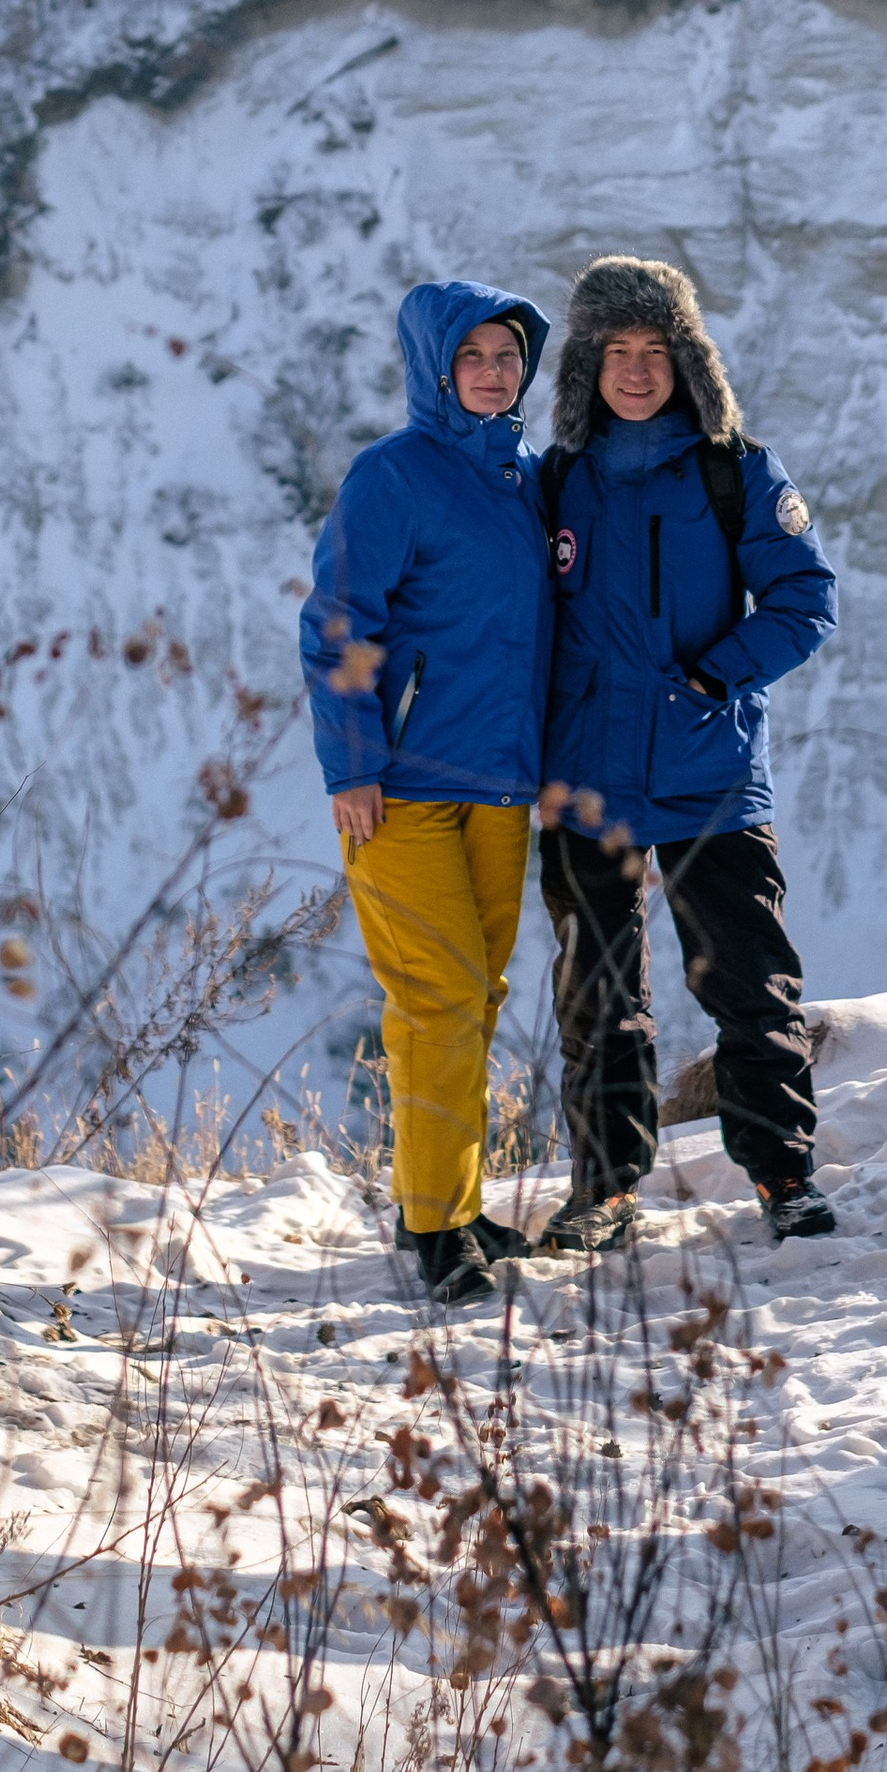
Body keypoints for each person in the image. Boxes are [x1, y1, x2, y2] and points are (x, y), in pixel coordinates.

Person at [531, 255, 839, 1255]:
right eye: (614, 351)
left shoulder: (735, 468)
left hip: (707, 772)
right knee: (597, 998)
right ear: (586, 367)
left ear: (686, 360)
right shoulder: (557, 482)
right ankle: (605, 1192)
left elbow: (803, 602)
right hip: (583, 779)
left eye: (653, 349)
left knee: (750, 985)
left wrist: (713, 679)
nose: (634, 368)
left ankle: (783, 1176)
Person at [300, 278, 551, 1307]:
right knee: (436, 995)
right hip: (401, 787)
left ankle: (442, 1199)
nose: (493, 373)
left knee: (473, 998)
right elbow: (337, 621)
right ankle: (439, 1229)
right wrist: (352, 763)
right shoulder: (390, 476)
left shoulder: (523, 480)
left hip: (498, 782)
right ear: (435, 369)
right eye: (473, 358)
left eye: (508, 357)